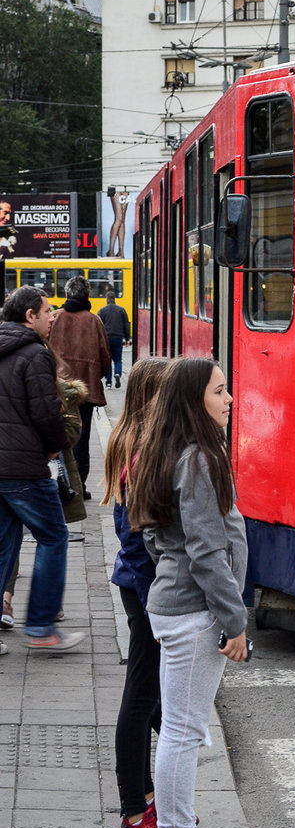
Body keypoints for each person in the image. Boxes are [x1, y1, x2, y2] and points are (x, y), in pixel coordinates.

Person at [127, 358, 249, 828]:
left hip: (174, 605)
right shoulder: (197, 459)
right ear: (195, 399)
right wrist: (235, 619)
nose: (229, 400)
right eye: (220, 392)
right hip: (195, 612)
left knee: (179, 729)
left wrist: (174, 570)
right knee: (182, 732)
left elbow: (155, 536)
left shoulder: (167, 450)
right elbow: (206, 552)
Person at [102, 357, 172, 828]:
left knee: (151, 695)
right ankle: (135, 813)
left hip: (136, 583)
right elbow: (143, 539)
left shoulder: (132, 439)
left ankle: (156, 797)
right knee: (141, 696)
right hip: (145, 585)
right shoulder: (145, 450)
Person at [0, 285, 84, 652]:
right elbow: (48, 413)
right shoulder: (35, 354)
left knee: (3, 543)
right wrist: (53, 448)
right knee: (53, 536)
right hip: (23, 467)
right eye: (47, 311)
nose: (53, 317)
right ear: (29, 316)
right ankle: (41, 626)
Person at [49, 274, 111, 500]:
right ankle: (80, 487)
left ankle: (59, 486)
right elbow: (105, 358)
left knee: (56, 437)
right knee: (81, 440)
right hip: (84, 393)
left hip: (56, 390)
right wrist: (93, 377)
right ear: (87, 295)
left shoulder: (54, 318)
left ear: (66, 294)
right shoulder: (94, 321)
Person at [98, 292, 131, 388]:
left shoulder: (102, 311)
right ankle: (117, 373)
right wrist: (127, 338)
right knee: (117, 359)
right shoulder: (121, 310)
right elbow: (126, 325)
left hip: (106, 338)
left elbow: (98, 326)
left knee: (107, 360)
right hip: (118, 337)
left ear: (106, 299)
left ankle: (108, 382)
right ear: (115, 299)